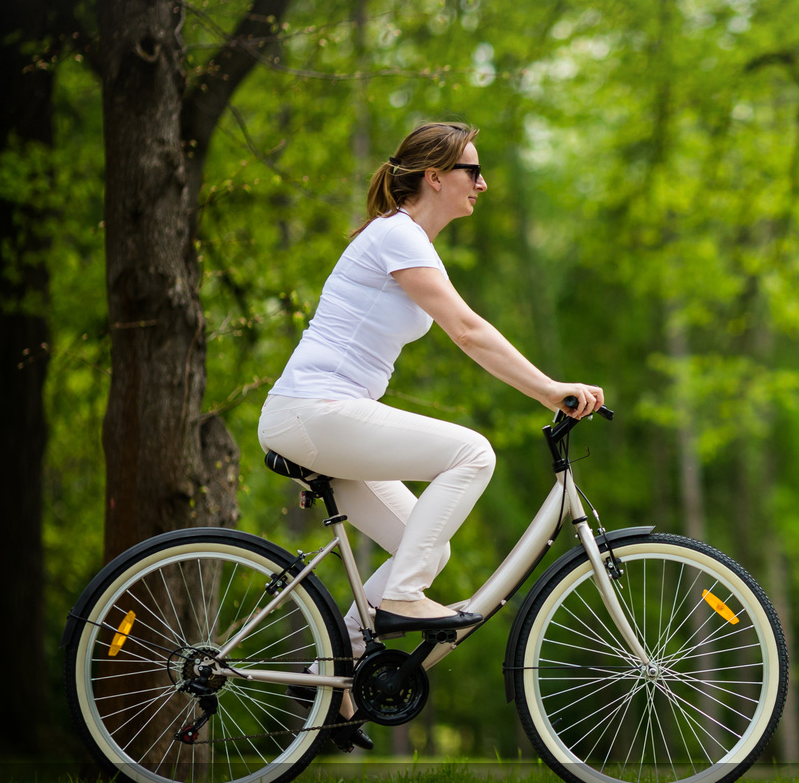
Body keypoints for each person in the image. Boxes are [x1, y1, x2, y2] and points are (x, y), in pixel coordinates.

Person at [257, 122, 603, 744]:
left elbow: (465, 327)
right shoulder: (397, 234)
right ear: (436, 177)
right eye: (474, 171)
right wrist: (551, 390)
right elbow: (467, 331)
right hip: (314, 410)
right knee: (472, 453)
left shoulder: (408, 241)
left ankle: (333, 676)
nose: (484, 184)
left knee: (426, 546)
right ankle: (401, 600)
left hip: (322, 417)